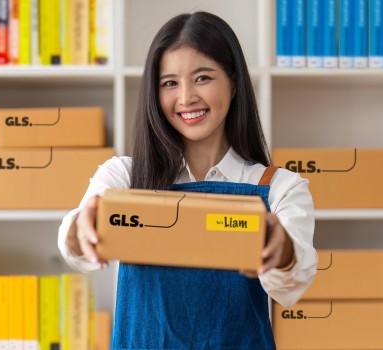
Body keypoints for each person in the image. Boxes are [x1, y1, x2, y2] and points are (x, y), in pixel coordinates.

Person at [57, 11, 317, 349]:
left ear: (234, 81)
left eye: (203, 78)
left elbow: (292, 286)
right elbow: (73, 249)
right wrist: (83, 227)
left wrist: (281, 249)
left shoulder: (280, 188)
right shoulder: (123, 178)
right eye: (169, 83)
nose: (186, 98)